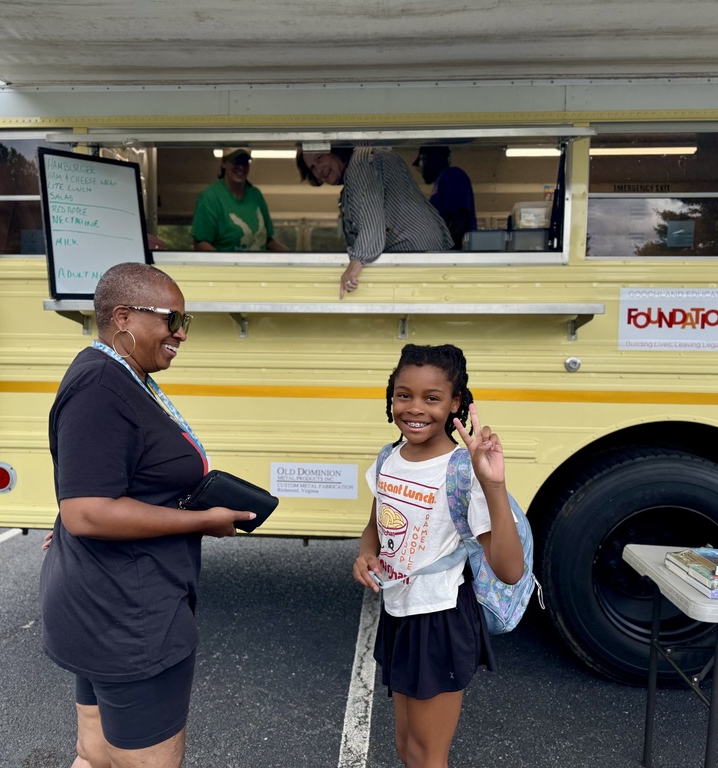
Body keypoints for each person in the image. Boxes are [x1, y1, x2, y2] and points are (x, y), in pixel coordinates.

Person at [40, 262, 256, 768]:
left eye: (186, 321)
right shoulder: (100, 386)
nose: (181, 332)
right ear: (123, 317)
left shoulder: (116, 375)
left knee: (94, 756)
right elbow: (87, 511)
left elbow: (91, 488)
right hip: (127, 616)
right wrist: (205, 520)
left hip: (103, 600)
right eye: (171, 318)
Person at [352, 344, 525, 768]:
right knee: (406, 749)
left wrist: (494, 485)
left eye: (432, 398)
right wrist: (365, 554)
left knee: (428, 757)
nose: (415, 408)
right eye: (403, 394)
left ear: (455, 404)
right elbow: (377, 522)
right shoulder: (389, 458)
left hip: (441, 618)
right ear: (390, 396)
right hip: (399, 613)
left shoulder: (463, 470)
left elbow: (509, 569)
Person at [296, 147, 452, 298]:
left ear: (336, 151)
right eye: (313, 168)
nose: (319, 169)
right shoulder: (364, 162)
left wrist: (354, 267)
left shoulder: (360, 163)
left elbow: (370, 219)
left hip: (415, 257)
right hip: (422, 256)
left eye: (320, 158)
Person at [191, 147, 288, 252]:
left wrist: (291, 256)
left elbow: (267, 240)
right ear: (224, 163)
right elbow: (200, 243)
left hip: (257, 267)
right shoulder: (210, 197)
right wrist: (225, 264)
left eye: (244, 162)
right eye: (236, 161)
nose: (241, 167)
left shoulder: (255, 194)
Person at [413, 146, 477, 250]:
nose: (420, 169)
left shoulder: (452, 176)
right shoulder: (442, 180)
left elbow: (459, 218)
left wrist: (448, 249)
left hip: (453, 251)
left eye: (422, 161)